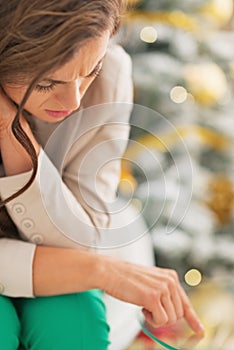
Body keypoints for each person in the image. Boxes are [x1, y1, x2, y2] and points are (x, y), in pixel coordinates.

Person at [0, 0, 205, 349]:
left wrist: (11, 130)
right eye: (48, 83)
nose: (74, 100)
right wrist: (102, 271)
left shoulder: (110, 72)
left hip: (57, 259)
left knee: (74, 327)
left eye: (88, 72)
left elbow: (77, 239)